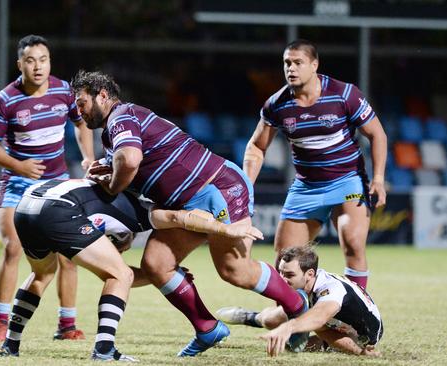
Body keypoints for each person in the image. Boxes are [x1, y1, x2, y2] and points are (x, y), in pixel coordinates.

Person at [71, 70, 309, 357]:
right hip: (186, 202)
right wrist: (110, 169)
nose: (78, 110)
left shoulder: (120, 117)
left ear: (103, 96)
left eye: (82, 102)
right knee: (157, 264)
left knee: (235, 270)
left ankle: (298, 309)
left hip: (218, 188)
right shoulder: (117, 129)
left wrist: (111, 184)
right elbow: (135, 165)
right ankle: (208, 328)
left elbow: (131, 161)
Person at [0, 178, 264, 360]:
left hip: (26, 206)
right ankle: (104, 350)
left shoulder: (107, 198)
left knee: (42, 274)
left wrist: (155, 274)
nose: (125, 247)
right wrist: (226, 228)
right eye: (124, 244)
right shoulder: (139, 212)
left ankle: (10, 345)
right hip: (58, 211)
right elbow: (177, 217)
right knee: (119, 274)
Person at [242, 39, 387, 290]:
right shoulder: (277, 104)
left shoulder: (344, 94)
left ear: (314, 65)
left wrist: (378, 180)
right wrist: (246, 187)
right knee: (285, 260)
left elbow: (377, 135)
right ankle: (297, 322)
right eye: (287, 63)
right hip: (306, 187)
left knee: (353, 241)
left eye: (298, 63)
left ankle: (356, 312)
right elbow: (256, 146)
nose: (291, 68)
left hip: (348, 180)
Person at [0, 35, 95, 342]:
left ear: (49, 62)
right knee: (12, 249)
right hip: (17, 184)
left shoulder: (63, 91)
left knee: (69, 255)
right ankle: (1, 322)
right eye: (30, 61)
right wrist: (20, 167)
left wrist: (88, 158)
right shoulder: (5, 99)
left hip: (55, 186)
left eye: (43, 60)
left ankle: (67, 325)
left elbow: (81, 122)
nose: (37, 66)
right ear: (20, 64)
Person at [217, 245, 383, 357]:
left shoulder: (331, 289)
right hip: (331, 322)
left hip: (362, 335)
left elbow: (319, 317)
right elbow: (319, 321)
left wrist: (288, 328)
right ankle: (250, 317)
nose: (282, 280)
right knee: (269, 320)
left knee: (295, 346)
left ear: (310, 274)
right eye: (280, 273)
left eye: (289, 275)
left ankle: (354, 350)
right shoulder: (310, 283)